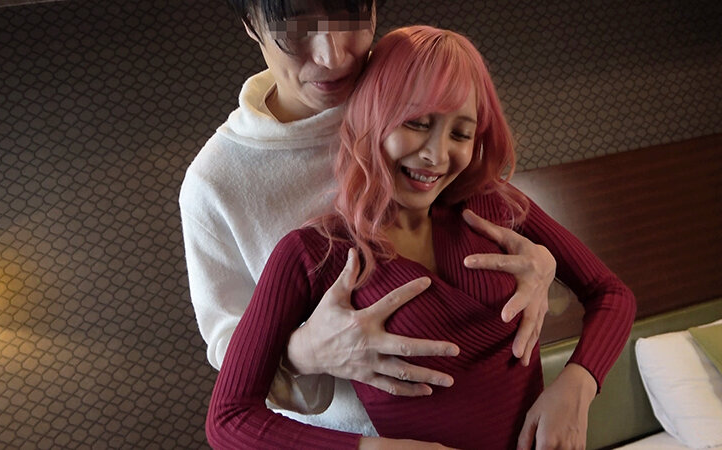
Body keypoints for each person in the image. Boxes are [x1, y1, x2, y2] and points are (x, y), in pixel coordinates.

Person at [205, 25, 636, 449]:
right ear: (373, 116)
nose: (436, 154)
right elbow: (229, 419)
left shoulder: (494, 204)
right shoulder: (315, 251)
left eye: (461, 133)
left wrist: (578, 384)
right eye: (416, 123)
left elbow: (611, 294)